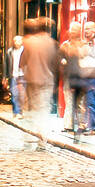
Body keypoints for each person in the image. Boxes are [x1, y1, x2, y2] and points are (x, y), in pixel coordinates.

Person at [19, 18, 59, 150]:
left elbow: (22, 63)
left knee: (34, 110)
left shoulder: (29, 42)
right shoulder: (53, 43)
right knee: (44, 110)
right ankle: (43, 140)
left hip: (32, 80)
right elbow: (56, 64)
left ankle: (32, 137)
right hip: (48, 80)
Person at [58, 21, 90, 137]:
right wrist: (62, 61)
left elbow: (87, 60)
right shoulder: (65, 46)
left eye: (75, 30)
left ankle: (82, 125)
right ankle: (68, 125)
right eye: (71, 30)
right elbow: (58, 58)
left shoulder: (83, 46)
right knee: (70, 102)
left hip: (81, 78)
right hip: (68, 78)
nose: (72, 33)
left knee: (81, 103)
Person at [8, 34, 26, 117]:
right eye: (15, 41)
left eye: (18, 41)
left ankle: (20, 111)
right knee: (14, 94)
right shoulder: (10, 51)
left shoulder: (25, 51)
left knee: (21, 94)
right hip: (13, 75)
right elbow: (6, 64)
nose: (16, 42)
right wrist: (5, 76)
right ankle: (16, 111)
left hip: (22, 75)